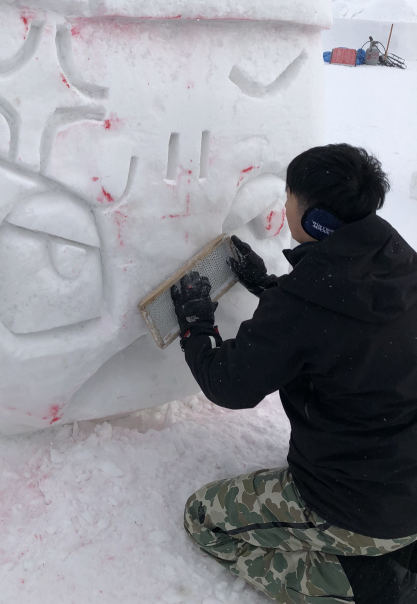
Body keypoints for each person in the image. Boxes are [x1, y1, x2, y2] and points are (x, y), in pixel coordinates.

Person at [171, 144, 417, 604]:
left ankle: (361, 587)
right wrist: (270, 287)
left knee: (203, 518)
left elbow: (229, 384)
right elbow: (338, 325)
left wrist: (195, 326)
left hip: (358, 504)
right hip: (404, 479)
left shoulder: (305, 303)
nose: (284, 206)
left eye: (289, 196)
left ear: (317, 220)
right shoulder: (396, 255)